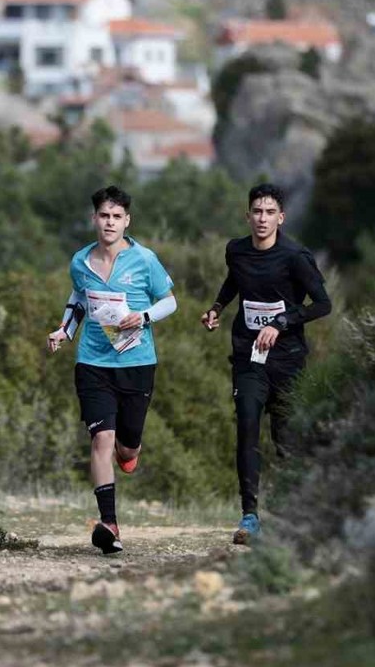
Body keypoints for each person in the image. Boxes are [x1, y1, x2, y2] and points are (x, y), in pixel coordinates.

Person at [47, 186, 177, 555]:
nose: (110, 222)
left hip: (137, 364)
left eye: (117, 216)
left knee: (126, 444)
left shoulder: (144, 259)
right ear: (95, 219)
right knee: (101, 439)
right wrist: (64, 331)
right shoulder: (80, 262)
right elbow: (77, 300)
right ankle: (109, 523)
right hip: (93, 364)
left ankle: (129, 451)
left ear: (127, 221)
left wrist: (145, 316)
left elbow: (170, 302)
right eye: (104, 215)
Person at [201, 183, 331, 545]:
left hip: (287, 360)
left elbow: (323, 304)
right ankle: (250, 516)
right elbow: (235, 282)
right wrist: (216, 307)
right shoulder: (236, 251)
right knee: (246, 425)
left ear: (281, 217)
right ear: (248, 215)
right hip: (248, 356)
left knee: (286, 438)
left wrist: (282, 322)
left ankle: (293, 512)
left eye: (269, 212)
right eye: (257, 212)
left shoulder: (295, 256)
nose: (262, 218)